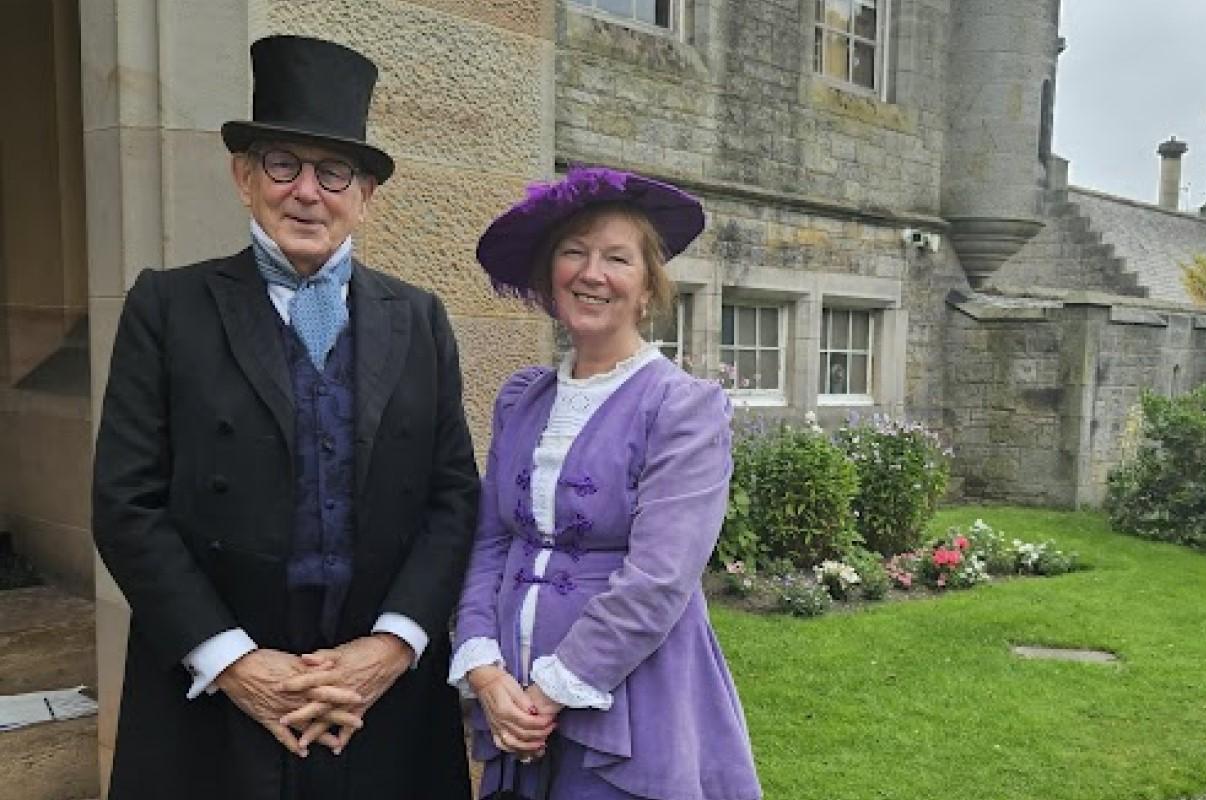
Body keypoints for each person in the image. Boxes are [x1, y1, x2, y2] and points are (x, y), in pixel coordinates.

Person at [92, 35, 478, 800]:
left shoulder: (422, 318)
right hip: (213, 695)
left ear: (365, 193)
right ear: (244, 178)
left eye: (334, 172)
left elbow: (453, 496)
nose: (308, 191)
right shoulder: (167, 308)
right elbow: (125, 503)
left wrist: (392, 647)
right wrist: (234, 663)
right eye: (283, 165)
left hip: (377, 700)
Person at [452, 168, 762, 800]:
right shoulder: (522, 399)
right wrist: (485, 670)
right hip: (512, 699)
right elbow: (490, 540)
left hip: (630, 700)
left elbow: (661, 576)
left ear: (648, 290)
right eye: (574, 253)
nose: (592, 273)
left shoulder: (681, 407)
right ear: (549, 278)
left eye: (617, 258)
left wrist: (549, 691)